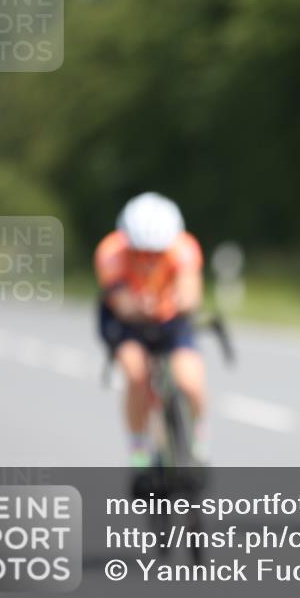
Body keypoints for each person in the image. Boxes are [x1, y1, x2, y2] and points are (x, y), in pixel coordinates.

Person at [94, 192, 207, 468]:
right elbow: (123, 304)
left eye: (157, 253)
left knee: (190, 382)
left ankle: (197, 436)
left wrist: (177, 302)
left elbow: (191, 295)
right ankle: (138, 447)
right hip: (129, 323)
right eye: (141, 252)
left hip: (171, 319)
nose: (149, 259)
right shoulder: (110, 251)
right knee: (136, 374)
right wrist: (141, 308)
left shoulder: (184, 248)